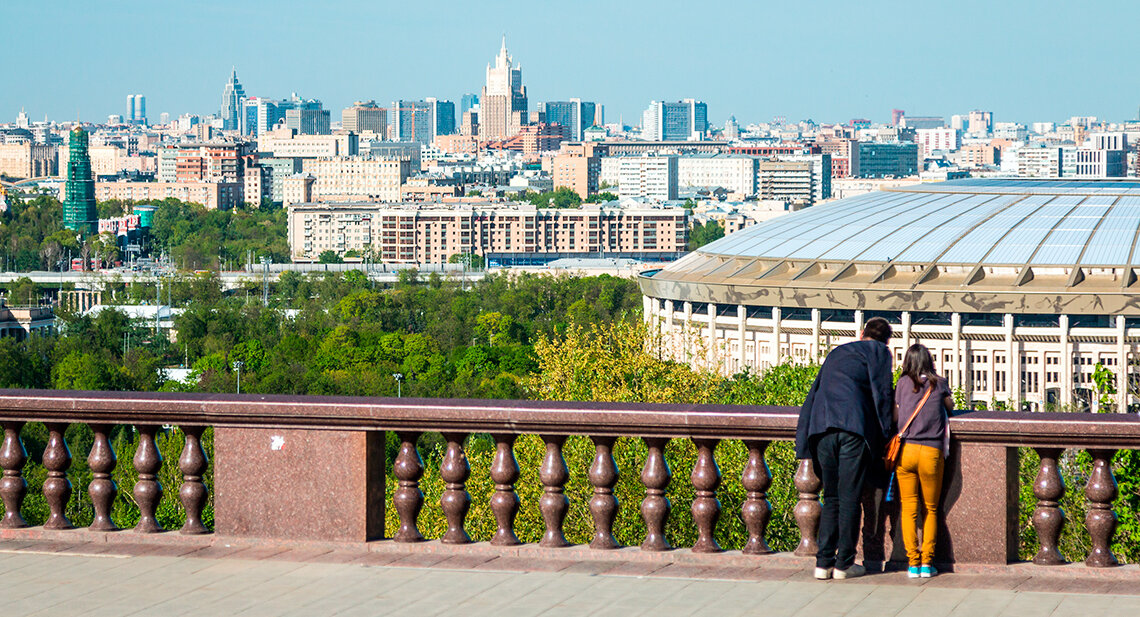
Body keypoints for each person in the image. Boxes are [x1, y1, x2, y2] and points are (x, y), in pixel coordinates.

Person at [795, 317, 895, 580]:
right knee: (850, 498)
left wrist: (804, 439)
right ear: (886, 340)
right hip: (852, 428)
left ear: (862, 333)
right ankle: (844, 565)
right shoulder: (880, 353)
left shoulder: (838, 351)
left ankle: (823, 563)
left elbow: (815, 392)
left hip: (821, 428)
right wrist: (884, 434)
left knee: (831, 498)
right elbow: (882, 394)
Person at [893, 343, 952, 579]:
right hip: (931, 452)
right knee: (931, 508)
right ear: (929, 360)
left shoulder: (902, 383)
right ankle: (927, 563)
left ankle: (913, 563)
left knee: (908, 508)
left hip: (906, 451)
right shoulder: (939, 383)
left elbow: (897, 415)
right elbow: (949, 407)